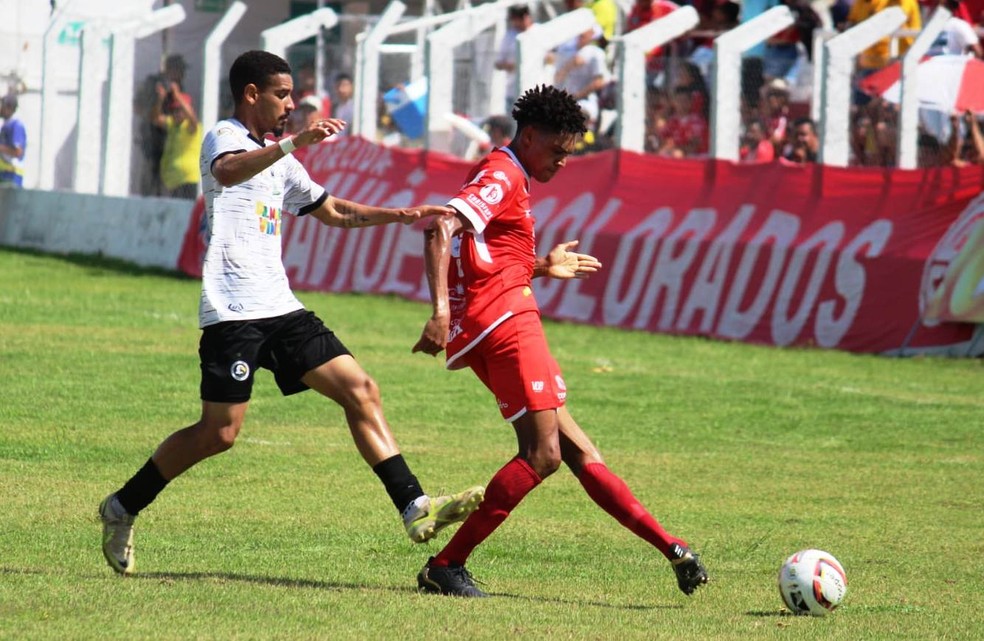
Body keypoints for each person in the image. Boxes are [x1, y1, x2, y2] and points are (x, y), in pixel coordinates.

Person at [98, 50, 484, 576]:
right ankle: (122, 507)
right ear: (252, 94)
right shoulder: (225, 137)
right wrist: (296, 142)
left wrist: (401, 214)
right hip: (232, 311)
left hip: (281, 306)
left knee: (361, 389)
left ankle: (414, 506)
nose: (290, 105)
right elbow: (229, 174)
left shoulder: (281, 159)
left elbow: (334, 211)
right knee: (219, 434)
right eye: (281, 95)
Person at [411, 84, 708, 598]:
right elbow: (441, 226)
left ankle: (674, 549)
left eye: (571, 153)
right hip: (505, 323)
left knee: (577, 450)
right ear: (529, 136)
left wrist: (543, 266)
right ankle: (446, 564)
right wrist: (439, 311)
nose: (564, 162)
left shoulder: (510, 174)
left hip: (495, 320)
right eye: (558, 150)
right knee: (543, 453)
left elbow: (486, 255)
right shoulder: (503, 172)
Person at [151, 80, 202, 199]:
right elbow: (155, 118)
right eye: (174, 110)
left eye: (180, 110)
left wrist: (177, 96)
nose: (176, 113)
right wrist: (161, 99)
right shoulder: (172, 124)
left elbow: (192, 117)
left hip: (187, 179)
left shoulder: (192, 126)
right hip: (173, 181)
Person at [494, 5, 535, 113]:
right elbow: (498, 63)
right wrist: (510, 65)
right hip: (513, 91)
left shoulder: (539, 31)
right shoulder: (509, 35)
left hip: (535, 90)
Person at [0, 94, 26, 188]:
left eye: (2, 105)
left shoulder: (16, 125)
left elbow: (17, 151)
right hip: (4, 174)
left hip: (12, 175)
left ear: (9, 108)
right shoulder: (5, 126)